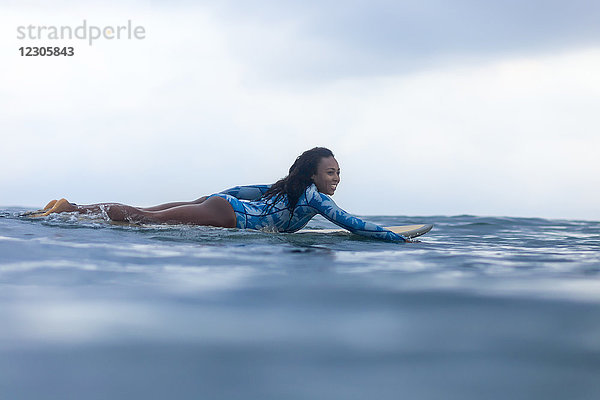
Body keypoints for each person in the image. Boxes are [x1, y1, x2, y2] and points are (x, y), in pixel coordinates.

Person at [32, 147, 408, 242]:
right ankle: (69, 208)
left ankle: (72, 208)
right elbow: (351, 223)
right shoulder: (315, 197)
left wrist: (206, 199)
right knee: (145, 219)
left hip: (222, 205)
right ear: (313, 173)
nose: (337, 178)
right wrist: (394, 237)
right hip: (227, 215)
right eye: (331, 172)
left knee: (145, 213)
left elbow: (246, 190)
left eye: (339, 172)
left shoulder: (289, 188)